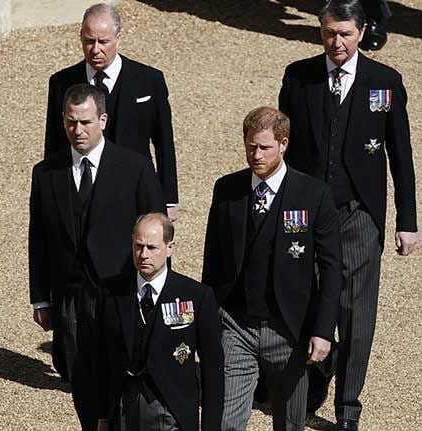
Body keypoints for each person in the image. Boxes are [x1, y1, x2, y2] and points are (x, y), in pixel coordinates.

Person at [279, 1, 416, 428]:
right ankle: (303, 397)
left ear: (361, 33)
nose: (337, 43)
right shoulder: (298, 77)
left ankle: (348, 412)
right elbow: (283, 146)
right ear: (320, 32)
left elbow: (402, 155)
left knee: (356, 317)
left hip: (359, 215)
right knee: (301, 304)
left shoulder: (385, 82)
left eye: (345, 34)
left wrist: (407, 221)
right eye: (330, 34)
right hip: (307, 214)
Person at [29, 83, 165, 430]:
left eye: (86, 122)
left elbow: (158, 231)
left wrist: (158, 293)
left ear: (102, 120)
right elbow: (39, 238)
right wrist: (40, 298)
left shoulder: (134, 168)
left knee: (124, 376)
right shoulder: (46, 173)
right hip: (71, 297)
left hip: (121, 292)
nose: (78, 130)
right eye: (71, 122)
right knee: (81, 378)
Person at [202, 107, 343, 431]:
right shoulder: (227, 190)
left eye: (264, 147)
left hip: (290, 331)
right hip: (236, 325)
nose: (256, 154)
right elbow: (213, 262)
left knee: (289, 423)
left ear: (283, 144)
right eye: (251, 146)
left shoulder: (313, 195)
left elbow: (332, 267)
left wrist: (322, 330)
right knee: (224, 422)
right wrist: (208, 320)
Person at [44, 3, 179, 221]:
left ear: (118, 38)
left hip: (137, 188)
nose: (95, 49)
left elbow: (164, 143)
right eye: (89, 41)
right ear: (80, 37)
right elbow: (54, 142)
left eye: (103, 41)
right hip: (83, 189)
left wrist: (169, 199)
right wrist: (50, 195)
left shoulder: (148, 81)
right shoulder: (61, 83)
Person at [96, 213, 223, 431]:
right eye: (138, 246)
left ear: (170, 247)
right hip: (123, 410)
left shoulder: (195, 296)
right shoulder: (111, 294)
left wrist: (211, 426)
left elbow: (213, 367)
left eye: (152, 247)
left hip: (172, 412)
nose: (143, 254)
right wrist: (100, 416)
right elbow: (98, 360)